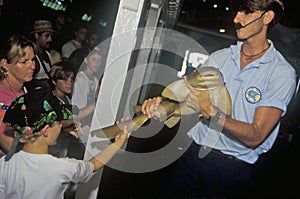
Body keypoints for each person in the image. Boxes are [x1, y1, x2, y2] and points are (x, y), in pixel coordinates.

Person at [141, 0, 296, 198]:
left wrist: (210, 112)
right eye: (237, 11)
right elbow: (188, 100)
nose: (236, 18)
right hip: (192, 158)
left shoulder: (281, 73)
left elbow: (255, 136)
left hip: (231, 172)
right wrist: (161, 106)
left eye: (246, 12)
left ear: (267, 17)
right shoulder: (220, 57)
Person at [0, 88, 130, 199]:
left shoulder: (4, 163)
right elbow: (93, 165)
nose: (61, 126)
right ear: (45, 130)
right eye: (58, 123)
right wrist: (118, 143)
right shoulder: (61, 167)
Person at [0, 34, 36, 158]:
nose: (33, 66)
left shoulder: (25, 91)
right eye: (24, 61)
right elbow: (10, 147)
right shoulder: (1, 98)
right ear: (5, 64)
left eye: (33, 60)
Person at [70, 48, 103, 159]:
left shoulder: (95, 80)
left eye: (99, 60)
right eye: (94, 59)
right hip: (80, 129)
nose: (97, 63)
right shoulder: (80, 80)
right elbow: (77, 112)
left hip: (90, 127)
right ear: (86, 60)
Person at [48, 60, 79, 158]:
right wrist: (73, 121)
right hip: (54, 147)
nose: (69, 83)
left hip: (65, 145)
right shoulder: (51, 101)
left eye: (72, 79)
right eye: (65, 80)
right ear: (54, 81)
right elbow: (55, 123)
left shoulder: (66, 98)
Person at [25, 19, 55, 90]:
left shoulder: (47, 54)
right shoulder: (32, 56)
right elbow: (24, 81)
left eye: (51, 36)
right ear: (37, 36)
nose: (50, 39)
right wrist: (40, 83)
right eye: (47, 36)